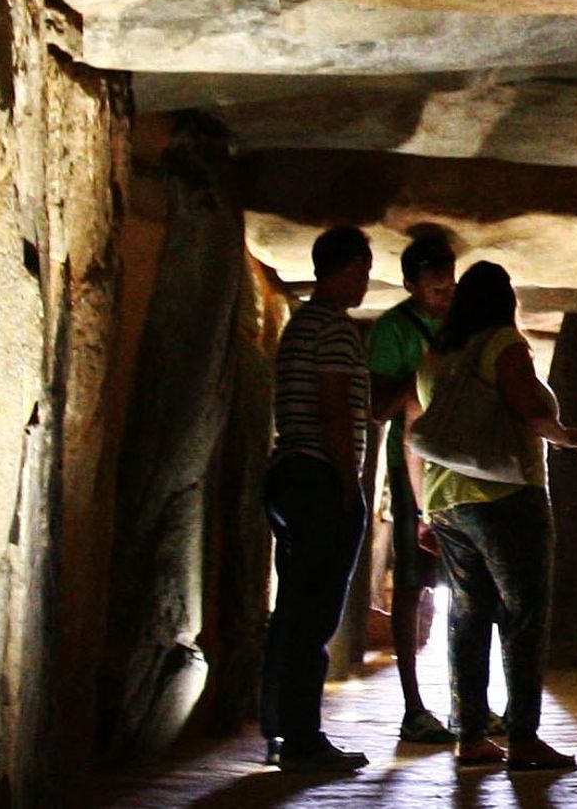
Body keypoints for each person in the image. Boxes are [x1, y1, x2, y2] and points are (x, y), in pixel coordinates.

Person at [415, 261, 577, 771]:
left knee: (467, 616)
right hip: (507, 496)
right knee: (524, 614)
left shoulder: (436, 355)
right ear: (504, 299)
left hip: (448, 501)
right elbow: (526, 410)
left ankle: (469, 736)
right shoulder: (503, 345)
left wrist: (426, 510)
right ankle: (524, 738)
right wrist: (566, 436)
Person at [259, 226, 374, 773]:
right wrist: (349, 480)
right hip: (318, 479)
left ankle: (280, 728)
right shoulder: (333, 327)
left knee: (293, 608)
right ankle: (303, 739)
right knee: (316, 613)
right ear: (347, 267)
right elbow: (333, 406)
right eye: (364, 268)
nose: (367, 279)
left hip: (289, 476)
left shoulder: (300, 324)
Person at [365, 233, 459, 744]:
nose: (446, 298)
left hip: (463, 468)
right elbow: (378, 409)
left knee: (472, 587)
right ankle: (414, 706)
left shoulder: (464, 320)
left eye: (450, 287)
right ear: (410, 287)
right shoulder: (393, 330)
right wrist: (423, 374)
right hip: (415, 470)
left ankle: (471, 703)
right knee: (412, 585)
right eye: (435, 291)